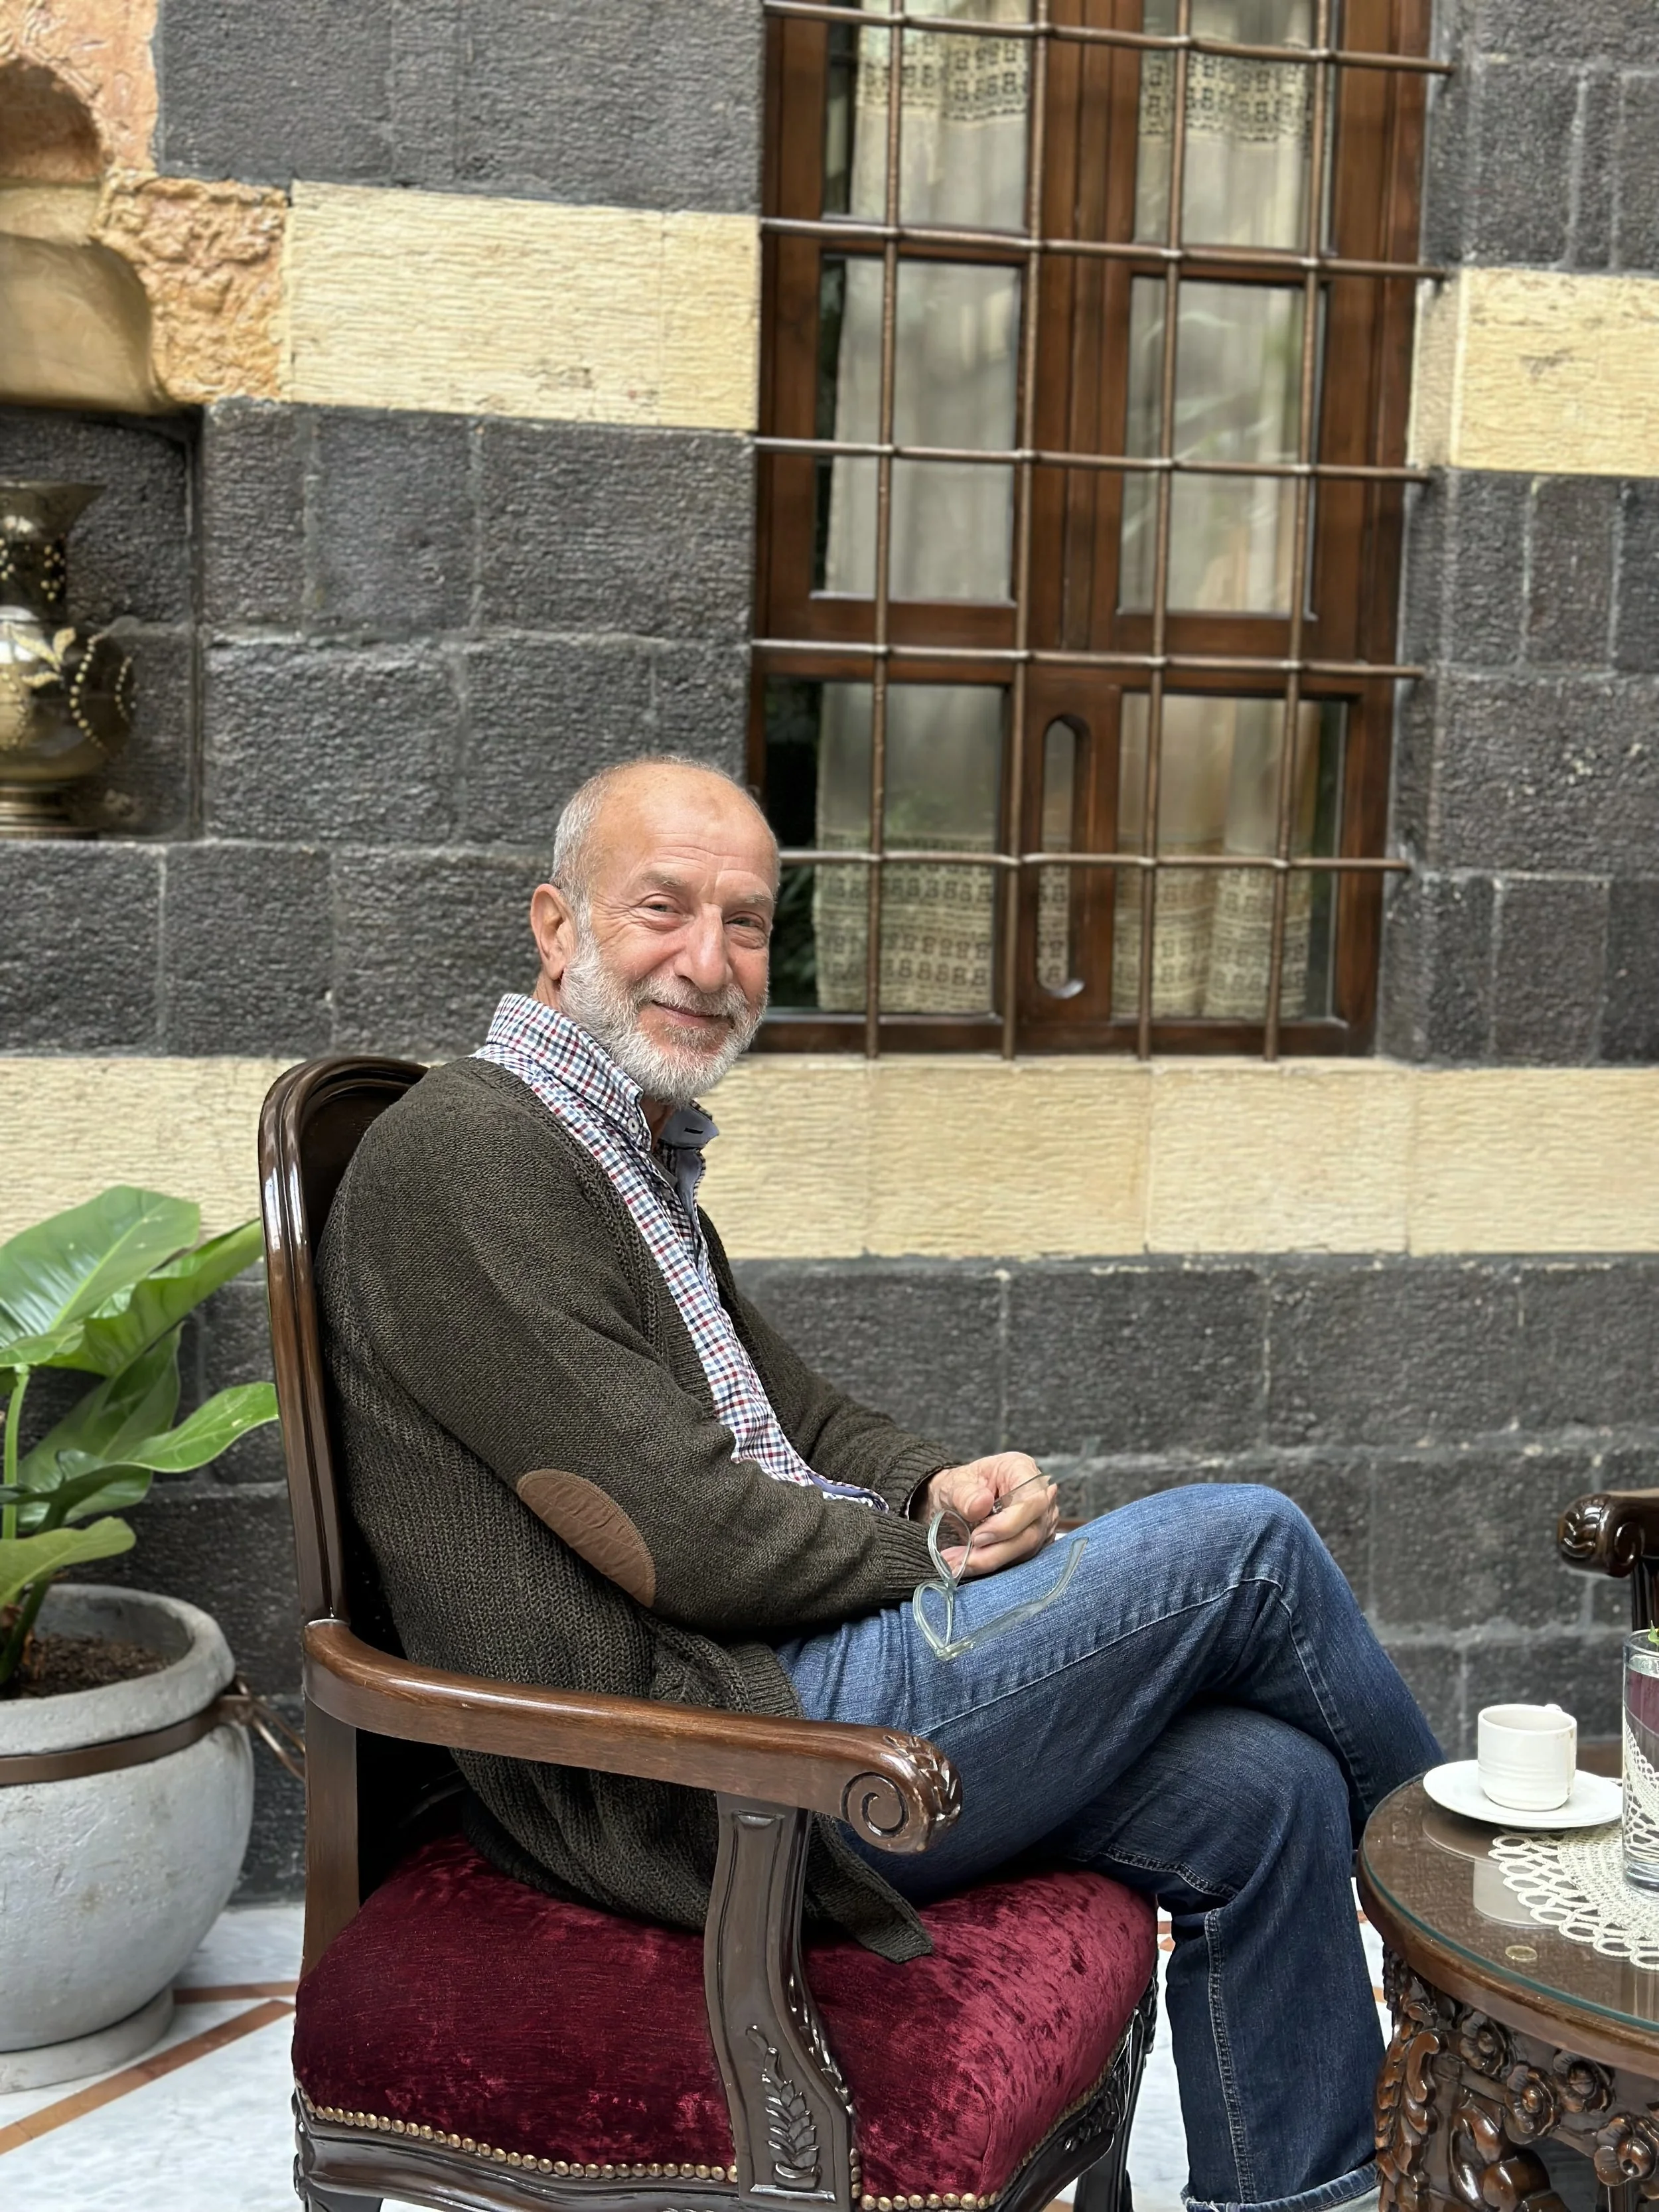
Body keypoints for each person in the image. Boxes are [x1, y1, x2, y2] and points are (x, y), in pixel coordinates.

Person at [317, 754, 1439, 2212]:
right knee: (1247, 1545)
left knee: (1271, 1790)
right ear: (554, 926)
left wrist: (934, 1484)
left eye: (744, 924)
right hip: (697, 1760)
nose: (707, 963)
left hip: (783, 1681)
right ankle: (1479, 1957)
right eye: (661, 909)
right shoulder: (473, 1155)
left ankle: (1308, 2196)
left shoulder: (619, 1154)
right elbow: (684, 1539)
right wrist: (945, 1566)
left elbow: (803, 1415)